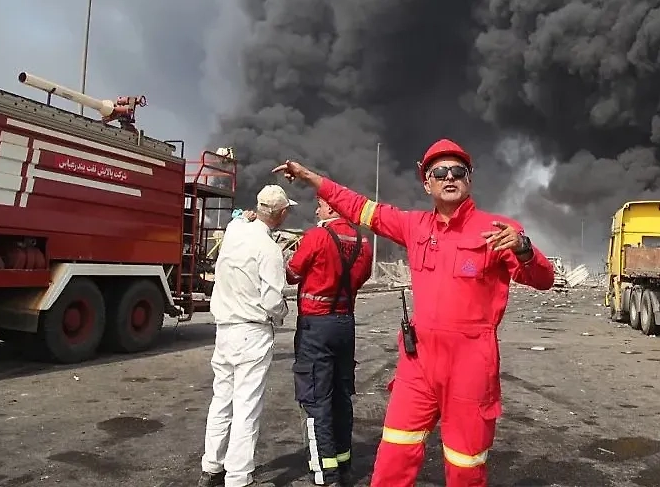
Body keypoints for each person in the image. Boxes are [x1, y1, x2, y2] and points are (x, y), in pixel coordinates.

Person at [272, 139, 556, 487]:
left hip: (470, 366)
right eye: (439, 172)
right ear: (427, 184)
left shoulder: (497, 230)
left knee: (465, 468)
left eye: (457, 171)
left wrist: (525, 249)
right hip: (418, 364)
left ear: (469, 179)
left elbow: (543, 280)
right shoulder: (414, 226)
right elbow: (359, 207)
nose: (449, 177)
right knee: (393, 459)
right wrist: (309, 177)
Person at [199, 184, 297, 487]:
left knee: (221, 400)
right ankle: (239, 477)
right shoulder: (269, 250)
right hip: (252, 332)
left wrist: (246, 216)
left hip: (224, 330)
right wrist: (283, 312)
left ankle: (211, 467)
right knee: (247, 406)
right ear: (282, 213)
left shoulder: (234, 230)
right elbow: (272, 301)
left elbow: (240, 218)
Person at [285, 196, 374, 486]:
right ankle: (343, 464)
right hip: (345, 324)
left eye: (320, 205)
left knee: (315, 399)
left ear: (332, 208)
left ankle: (326, 472)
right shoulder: (363, 243)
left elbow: (292, 274)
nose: (316, 210)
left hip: (316, 326)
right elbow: (361, 277)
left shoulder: (317, 236)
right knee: (341, 396)